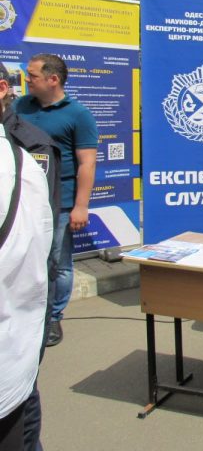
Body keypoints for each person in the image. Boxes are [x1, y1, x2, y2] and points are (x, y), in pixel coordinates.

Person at [14, 53, 97, 348]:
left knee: (57, 262)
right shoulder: (19, 106)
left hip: (60, 203)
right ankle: (26, 314)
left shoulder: (78, 114)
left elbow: (87, 163)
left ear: (53, 79)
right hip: (22, 200)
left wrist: (81, 206)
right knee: (23, 259)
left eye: (33, 75)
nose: (27, 79)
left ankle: (53, 317)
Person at [1, 64, 60, 451]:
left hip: (20, 299)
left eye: (35, 74)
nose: (30, 80)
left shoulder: (28, 147)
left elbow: (37, 235)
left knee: (23, 392)